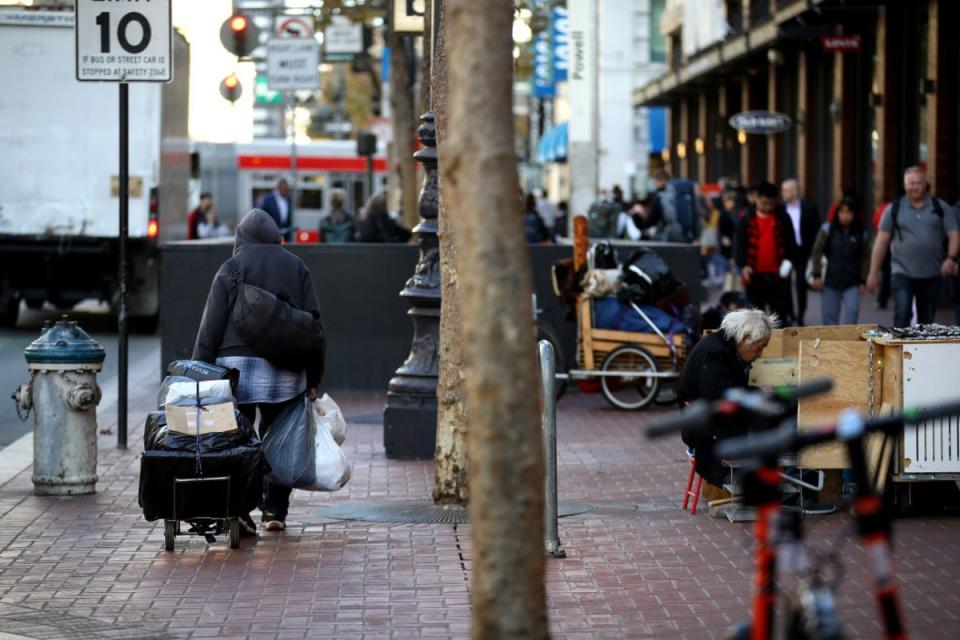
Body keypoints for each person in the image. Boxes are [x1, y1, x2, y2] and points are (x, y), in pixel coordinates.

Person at [193, 209, 324, 533]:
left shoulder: (232, 267)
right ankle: (274, 511)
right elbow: (315, 328)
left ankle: (239, 511)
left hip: (236, 369)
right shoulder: (297, 266)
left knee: (238, 440)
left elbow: (210, 326)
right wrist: (314, 377)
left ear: (241, 238)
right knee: (281, 439)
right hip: (287, 369)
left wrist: (199, 371)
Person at [679, 308, 778, 490]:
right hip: (707, 433)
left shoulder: (722, 347)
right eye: (759, 347)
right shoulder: (716, 352)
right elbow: (722, 397)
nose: (760, 354)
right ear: (745, 337)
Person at [866, 167, 960, 327]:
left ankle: (921, 351)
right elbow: (881, 242)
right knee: (902, 312)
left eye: (919, 183)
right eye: (911, 183)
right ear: (905, 185)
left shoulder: (940, 207)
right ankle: (899, 349)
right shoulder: (893, 209)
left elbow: (954, 234)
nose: (915, 187)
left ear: (926, 184)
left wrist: (951, 258)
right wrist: (873, 273)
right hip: (901, 271)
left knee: (927, 320)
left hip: (931, 273)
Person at [734, 181, 797, 321]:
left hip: (778, 276)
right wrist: (743, 265)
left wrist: (789, 262)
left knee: (779, 317)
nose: (768, 207)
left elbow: (791, 244)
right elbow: (739, 244)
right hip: (754, 276)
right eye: (764, 203)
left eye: (771, 204)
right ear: (756, 199)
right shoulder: (746, 218)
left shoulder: (782, 218)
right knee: (755, 318)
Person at [809, 197, 871, 325]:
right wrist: (816, 274)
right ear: (837, 213)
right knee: (829, 320)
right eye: (842, 212)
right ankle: (831, 345)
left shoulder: (861, 233)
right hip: (830, 281)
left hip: (852, 281)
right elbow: (817, 251)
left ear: (854, 214)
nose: (845, 216)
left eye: (849, 212)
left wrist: (863, 279)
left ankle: (850, 344)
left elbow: (866, 257)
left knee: (852, 313)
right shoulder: (828, 229)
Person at [780, 179, 821, 325]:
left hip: (804, 251)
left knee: (801, 284)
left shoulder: (809, 208)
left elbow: (817, 230)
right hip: (787, 252)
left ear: (794, 191)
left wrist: (815, 252)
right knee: (784, 283)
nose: (783, 193)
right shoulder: (780, 209)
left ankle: (801, 314)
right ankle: (790, 313)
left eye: (785, 190)